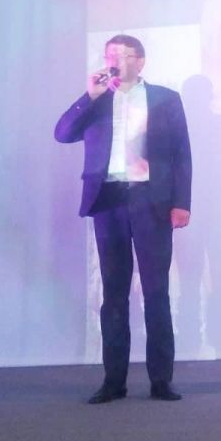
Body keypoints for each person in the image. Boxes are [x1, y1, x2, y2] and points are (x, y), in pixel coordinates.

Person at [55, 35, 191, 404]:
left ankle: (161, 380)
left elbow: (182, 154)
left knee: (156, 292)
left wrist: (181, 203)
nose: (114, 60)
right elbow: (62, 133)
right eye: (109, 54)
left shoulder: (166, 98)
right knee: (113, 293)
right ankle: (113, 380)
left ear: (140, 61)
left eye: (123, 54)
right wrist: (89, 96)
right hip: (109, 200)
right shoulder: (98, 100)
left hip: (151, 200)